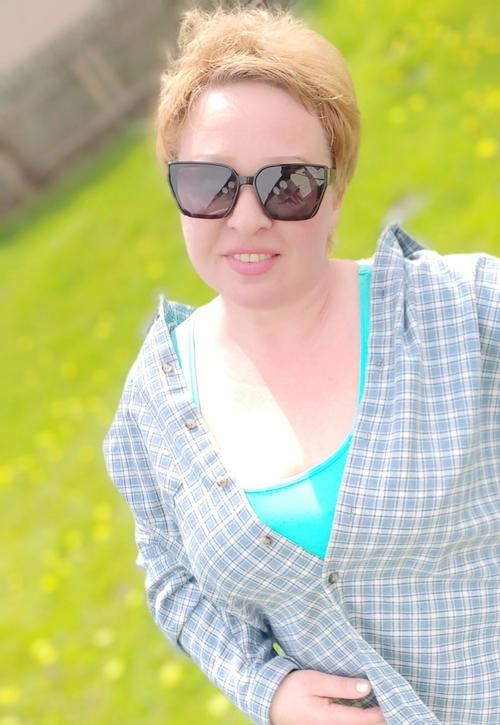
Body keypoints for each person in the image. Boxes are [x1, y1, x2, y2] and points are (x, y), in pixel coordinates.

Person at [103, 6, 500, 725]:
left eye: (287, 183)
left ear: (336, 193)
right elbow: (170, 575)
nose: (247, 218)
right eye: (211, 183)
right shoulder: (153, 404)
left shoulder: (464, 310)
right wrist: (268, 688)